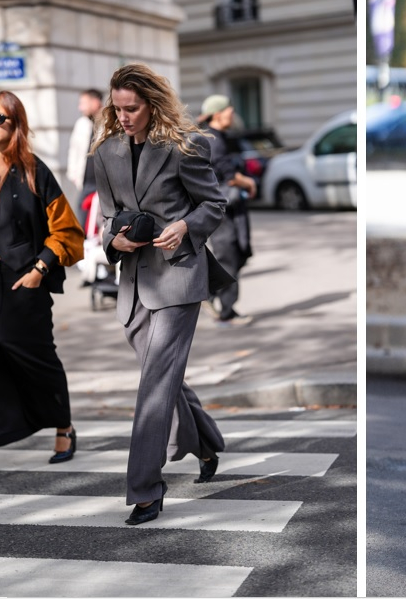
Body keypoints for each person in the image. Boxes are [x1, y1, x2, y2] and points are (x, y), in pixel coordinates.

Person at [90, 63, 229, 525]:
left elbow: (214, 203)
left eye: (132, 108)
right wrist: (116, 240)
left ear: (152, 103)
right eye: (118, 108)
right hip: (133, 282)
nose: (123, 116)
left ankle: (145, 489)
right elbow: (109, 218)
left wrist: (185, 226)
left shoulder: (184, 146)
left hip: (178, 276)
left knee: (153, 386)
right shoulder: (105, 153)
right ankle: (206, 444)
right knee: (164, 378)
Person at [0, 91, 85, 486]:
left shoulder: (37, 172)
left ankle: (64, 426)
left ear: (16, 124)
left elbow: (67, 233)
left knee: (40, 362)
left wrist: (41, 268)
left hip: (25, 285)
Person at [199, 94, 256, 327]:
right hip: (222, 208)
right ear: (217, 113)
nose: (233, 112)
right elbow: (230, 178)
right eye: (229, 109)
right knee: (229, 257)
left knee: (237, 253)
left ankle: (212, 295)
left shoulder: (217, 137)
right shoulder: (213, 140)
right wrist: (250, 183)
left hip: (226, 206)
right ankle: (227, 311)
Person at [67, 89, 104, 228]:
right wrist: (73, 174)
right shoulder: (81, 124)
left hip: (104, 182)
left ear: (95, 102)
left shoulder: (109, 122)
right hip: (86, 181)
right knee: (82, 215)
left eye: (83, 103)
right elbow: (74, 149)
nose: (80, 108)